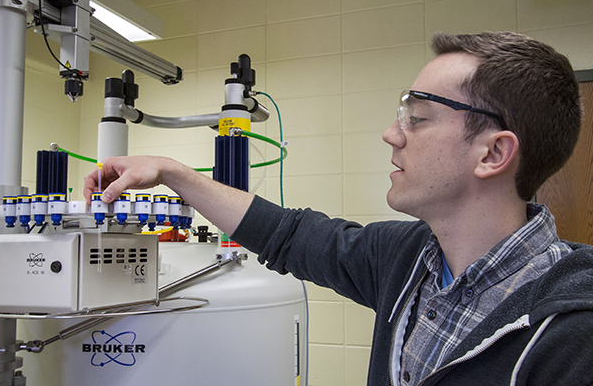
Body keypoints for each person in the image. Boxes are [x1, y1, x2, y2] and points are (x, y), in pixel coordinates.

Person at [84, 32, 593, 385]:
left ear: (493, 154)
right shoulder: (407, 258)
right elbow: (286, 234)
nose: (392, 134)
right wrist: (175, 173)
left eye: (416, 118)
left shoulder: (572, 336)